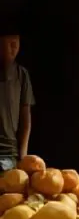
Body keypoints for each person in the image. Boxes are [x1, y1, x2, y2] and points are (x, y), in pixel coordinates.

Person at [0, 29, 34, 172]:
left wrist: (23, 155)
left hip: (10, 155)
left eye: (17, 42)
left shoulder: (21, 74)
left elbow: (26, 118)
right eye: (9, 41)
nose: (14, 46)